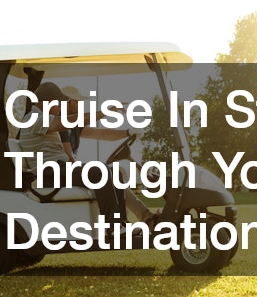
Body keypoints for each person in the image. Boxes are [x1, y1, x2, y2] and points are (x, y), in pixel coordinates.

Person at [19, 82, 135, 227]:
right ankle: (113, 226)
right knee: (100, 171)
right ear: (47, 101)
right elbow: (71, 121)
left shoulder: (43, 118)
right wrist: (106, 111)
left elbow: (98, 132)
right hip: (50, 173)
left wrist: (128, 132)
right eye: (58, 103)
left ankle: (122, 223)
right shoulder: (34, 118)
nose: (60, 107)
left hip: (59, 170)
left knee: (115, 173)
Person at [58, 85, 160, 227]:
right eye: (77, 101)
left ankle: (128, 221)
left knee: (117, 174)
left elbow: (101, 133)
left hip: (72, 171)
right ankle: (140, 220)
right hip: (64, 172)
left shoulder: (74, 125)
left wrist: (128, 132)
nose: (81, 104)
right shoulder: (60, 124)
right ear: (66, 102)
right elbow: (68, 157)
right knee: (108, 174)